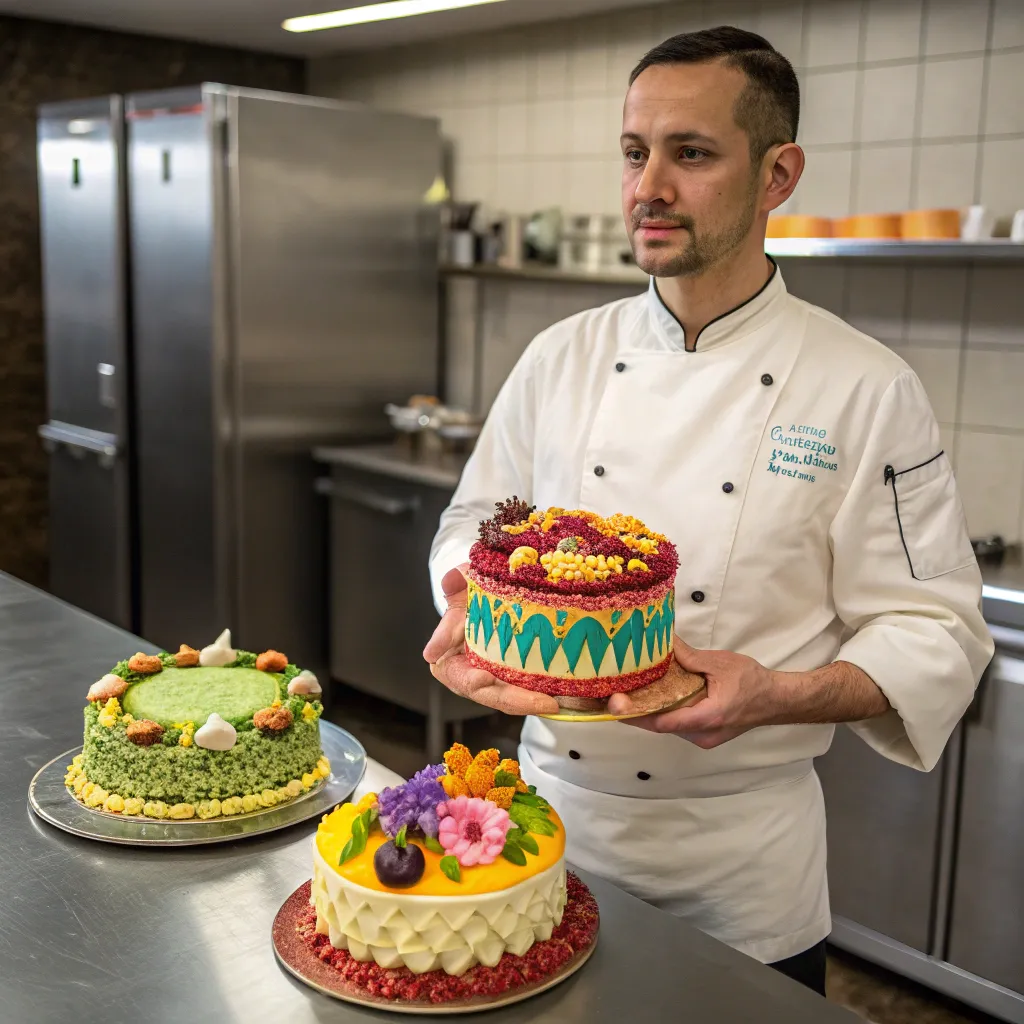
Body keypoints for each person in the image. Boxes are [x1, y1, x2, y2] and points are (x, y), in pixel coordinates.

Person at [423, 26, 992, 997]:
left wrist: (773, 692)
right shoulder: (558, 357)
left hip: (743, 872)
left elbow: (937, 630)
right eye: (635, 152)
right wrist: (479, 616)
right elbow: (474, 529)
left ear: (777, 176)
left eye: (690, 154)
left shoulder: (861, 387)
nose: (648, 186)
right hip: (545, 830)